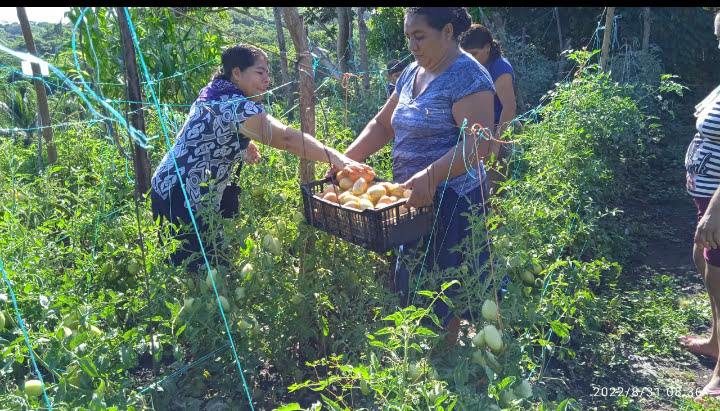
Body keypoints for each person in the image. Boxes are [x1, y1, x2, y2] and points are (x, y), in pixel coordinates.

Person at [336, 7, 497, 346]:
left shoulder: (468, 76)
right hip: (411, 198)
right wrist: (345, 159)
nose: (412, 45)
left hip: (454, 198)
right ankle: (421, 353)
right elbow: (382, 125)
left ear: (448, 31)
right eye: (409, 37)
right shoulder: (412, 73)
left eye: (419, 36)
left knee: (448, 278)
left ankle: (445, 355)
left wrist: (431, 175)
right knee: (412, 272)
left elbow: (478, 144)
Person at [150, 44, 371, 274]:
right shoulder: (235, 105)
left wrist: (243, 142)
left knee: (202, 265)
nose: (267, 79)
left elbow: (214, 129)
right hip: (183, 197)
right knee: (201, 273)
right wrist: (334, 156)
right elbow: (285, 138)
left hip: (172, 187)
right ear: (236, 72)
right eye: (259, 72)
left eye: (267, 73)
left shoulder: (217, 91)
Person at [682, 10, 720, 404]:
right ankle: (715, 340)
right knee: (708, 268)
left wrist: (716, 208)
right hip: (706, 199)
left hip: (719, 205)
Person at [460, 23, 517, 196]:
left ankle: (496, 222)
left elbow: (509, 107)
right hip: (479, 131)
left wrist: (496, 145)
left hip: (499, 130)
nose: (471, 58)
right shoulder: (474, 66)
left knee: (493, 190)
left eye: (474, 54)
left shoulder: (499, 68)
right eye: (467, 54)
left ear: (487, 47)